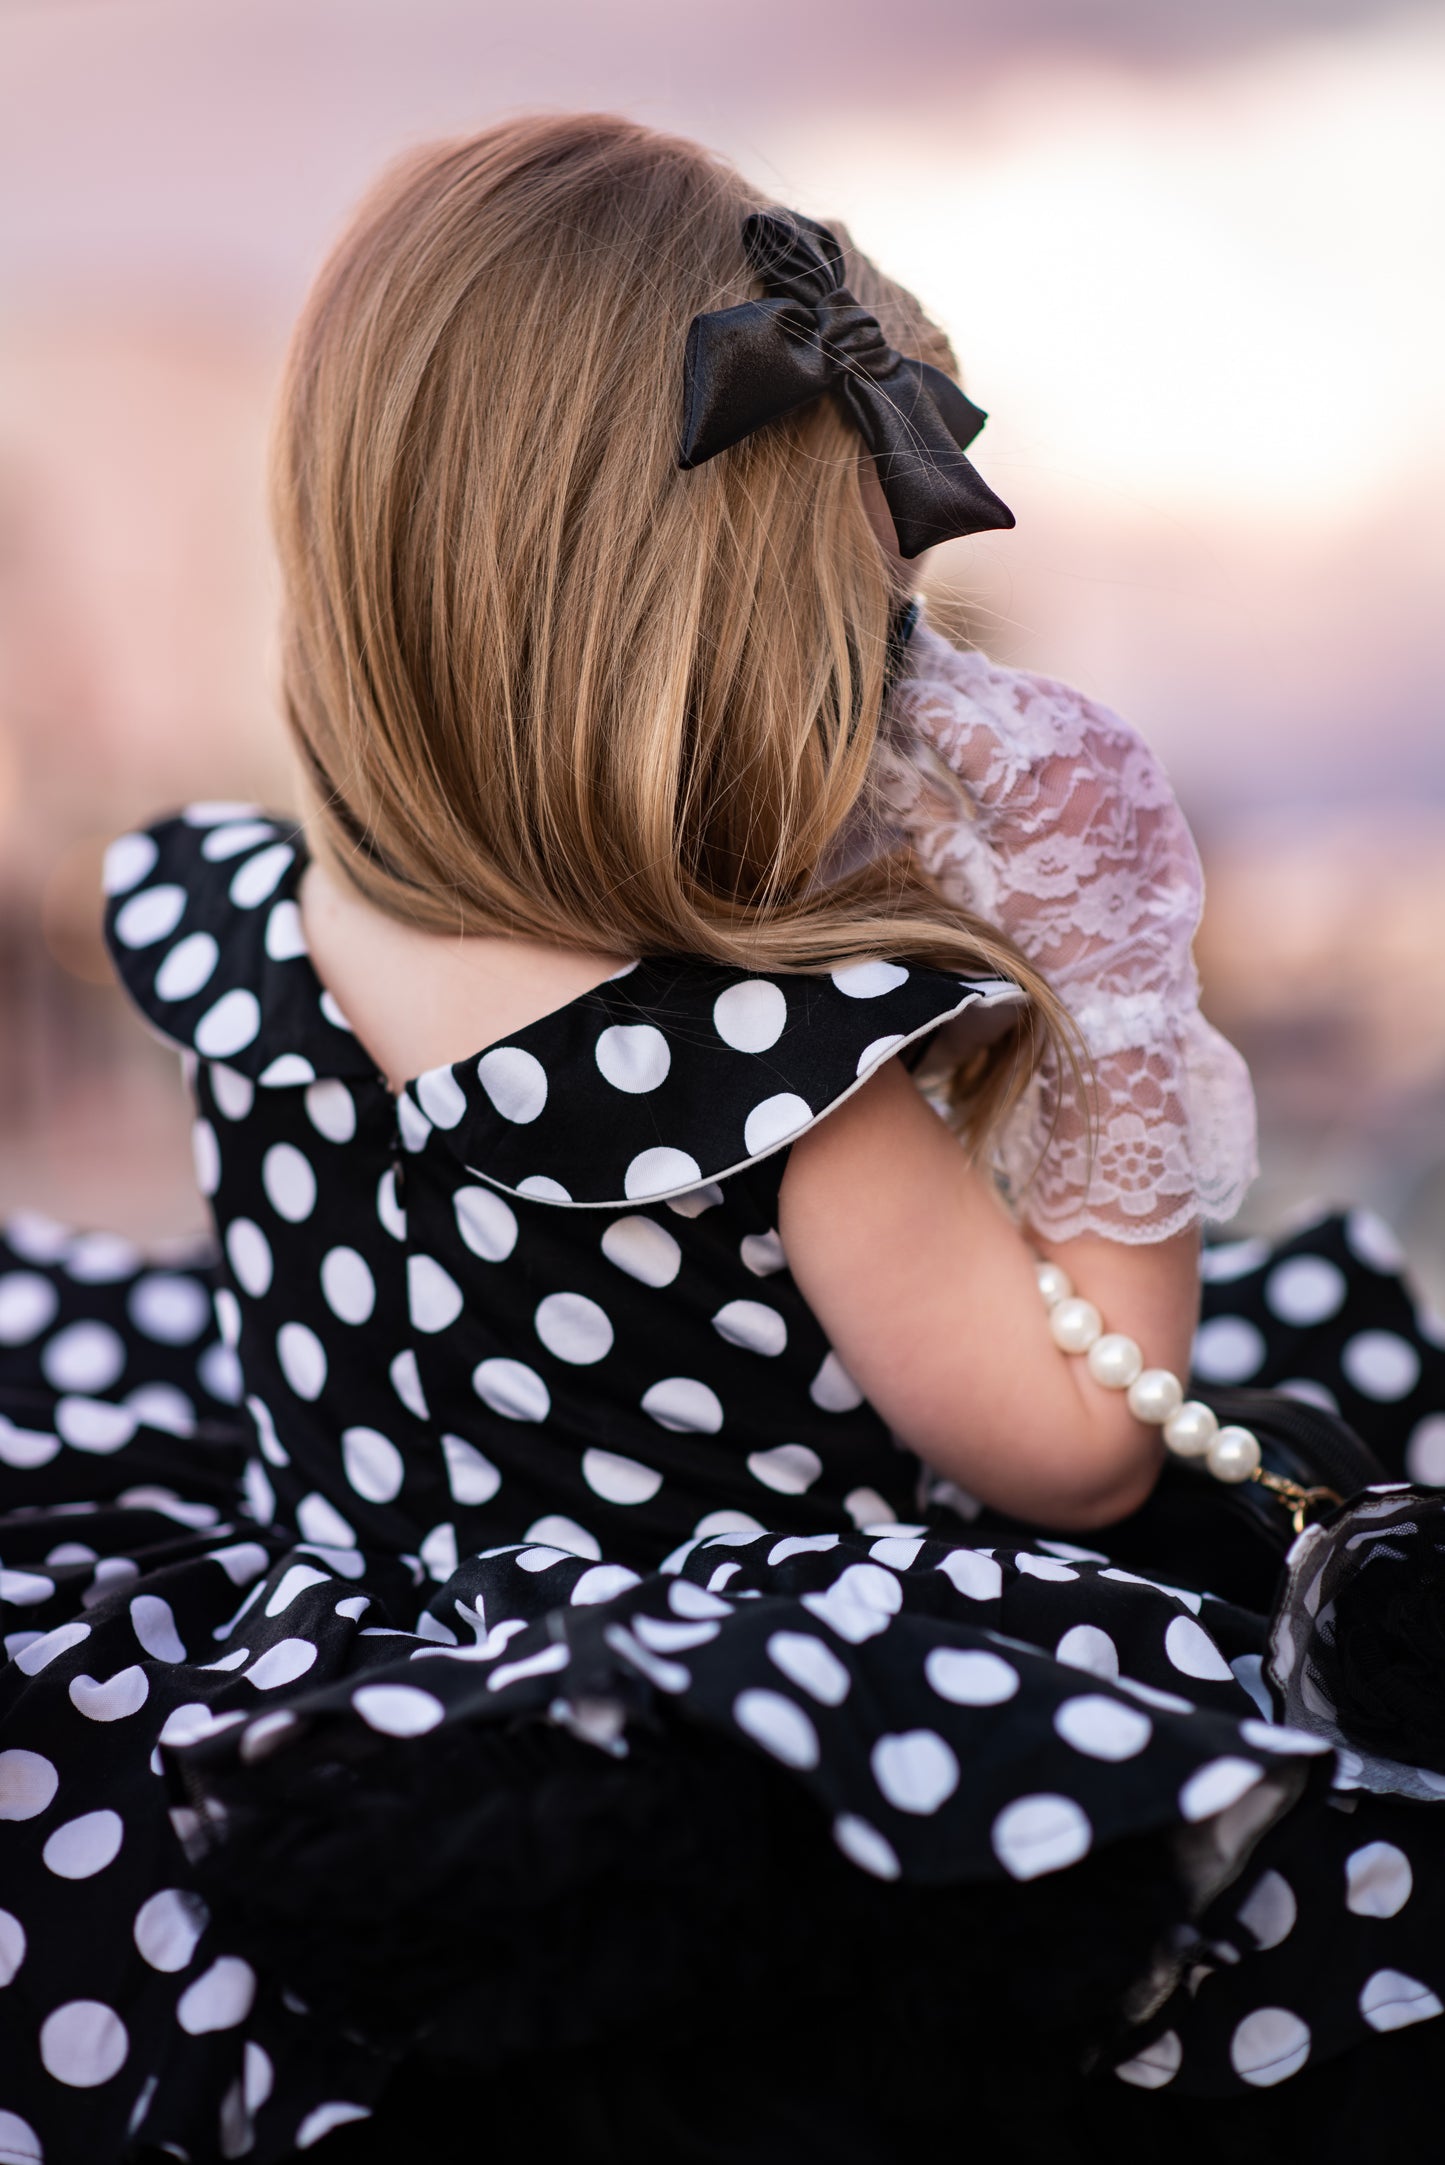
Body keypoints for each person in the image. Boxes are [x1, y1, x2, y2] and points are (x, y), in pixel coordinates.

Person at [3, 110, 1445, 2165]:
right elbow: (1085, 1442)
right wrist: (1116, 985)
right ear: (721, 656)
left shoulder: (221, 903)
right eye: (863, 636)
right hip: (701, 1722)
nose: (892, 702)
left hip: (332, 1629)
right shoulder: (779, 1079)